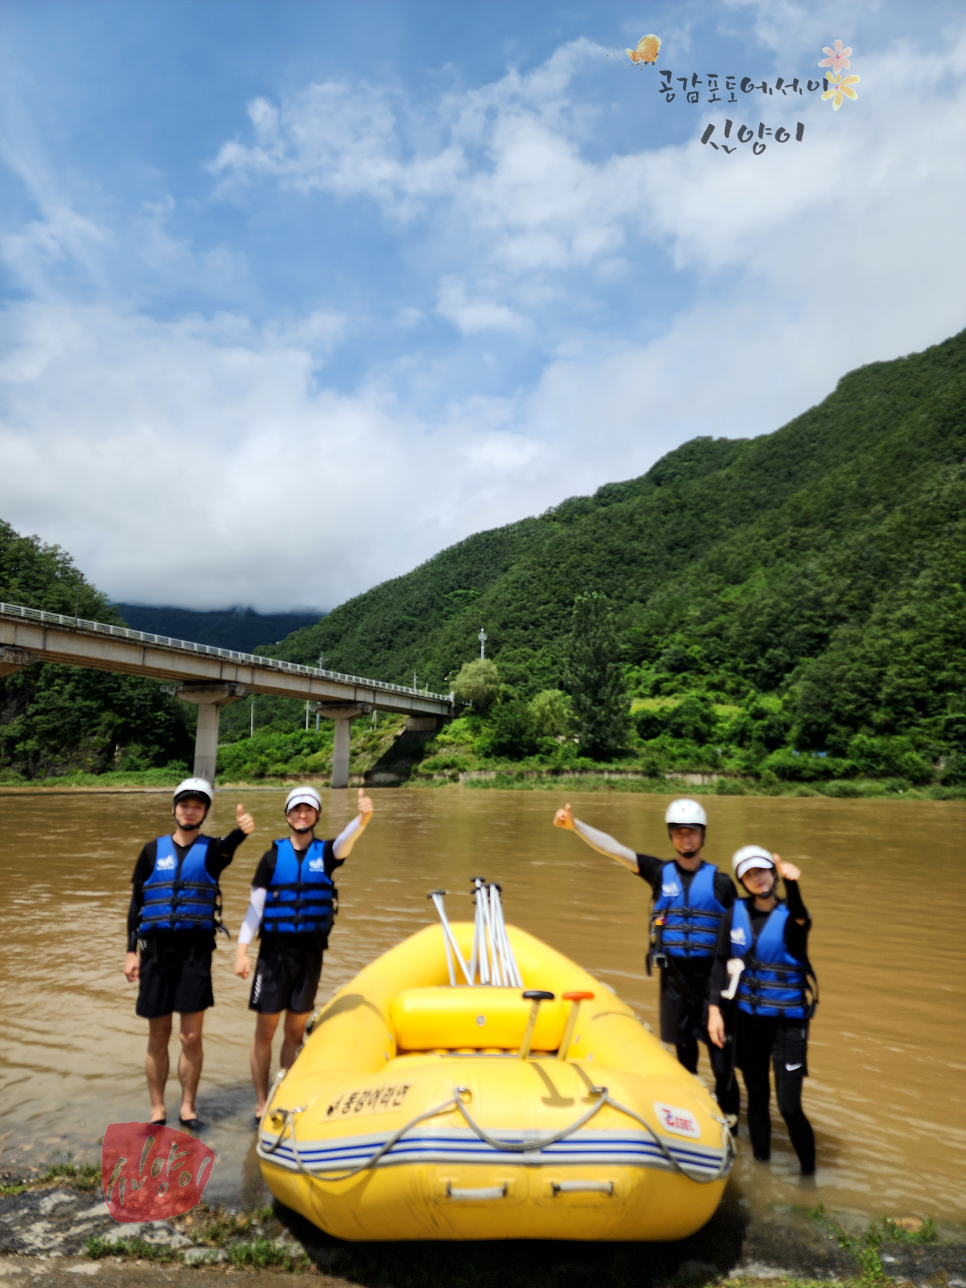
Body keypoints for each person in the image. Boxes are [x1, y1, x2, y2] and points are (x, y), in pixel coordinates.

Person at [553, 798, 738, 1122]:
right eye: (679, 833)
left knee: (722, 1063)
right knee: (684, 1060)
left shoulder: (722, 885)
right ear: (671, 837)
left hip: (712, 982)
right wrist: (575, 826)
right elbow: (614, 849)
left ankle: (732, 1126)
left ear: (703, 836)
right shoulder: (658, 872)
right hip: (675, 981)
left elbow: (741, 937)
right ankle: (691, 1120)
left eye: (692, 832)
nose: (686, 839)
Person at [234, 785, 374, 1122]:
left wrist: (363, 818)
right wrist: (241, 950)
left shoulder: (326, 854)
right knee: (265, 1032)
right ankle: (262, 1100)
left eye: (308, 810)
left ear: (317, 815)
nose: (302, 814)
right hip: (273, 955)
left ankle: (289, 1093)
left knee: (295, 1034)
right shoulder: (270, 859)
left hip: (309, 955)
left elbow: (346, 842)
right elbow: (255, 910)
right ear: (287, 815)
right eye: (296, 809)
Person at [124, 778, 255, 1128]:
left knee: (191, 1036)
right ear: (174, 808)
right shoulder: (152, 851)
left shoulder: (212, 852)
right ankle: (157, 1109)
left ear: (205, 813)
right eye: (185, 804)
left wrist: (241, 832)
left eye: (198, 806)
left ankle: (187, 1105)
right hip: (155, 952)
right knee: (158, 1034)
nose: (190, 810)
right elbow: (137, 903)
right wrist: (130, 951)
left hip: (195, 953)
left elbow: (228, 846)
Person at [707, 846, 817, 1175]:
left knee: (788, 1106)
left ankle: (809, 1179)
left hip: (787, 1026)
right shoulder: (734, 913)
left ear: (774, 874)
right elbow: (720, 963)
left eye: (763, 871)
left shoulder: (792, 915)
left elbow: (801, 916)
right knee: (756, 1099)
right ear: (742, 880)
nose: (758, 878)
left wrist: (793, 883)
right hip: (748, 1022)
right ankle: (762, 1172)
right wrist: (714, 1008)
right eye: (749, 874)